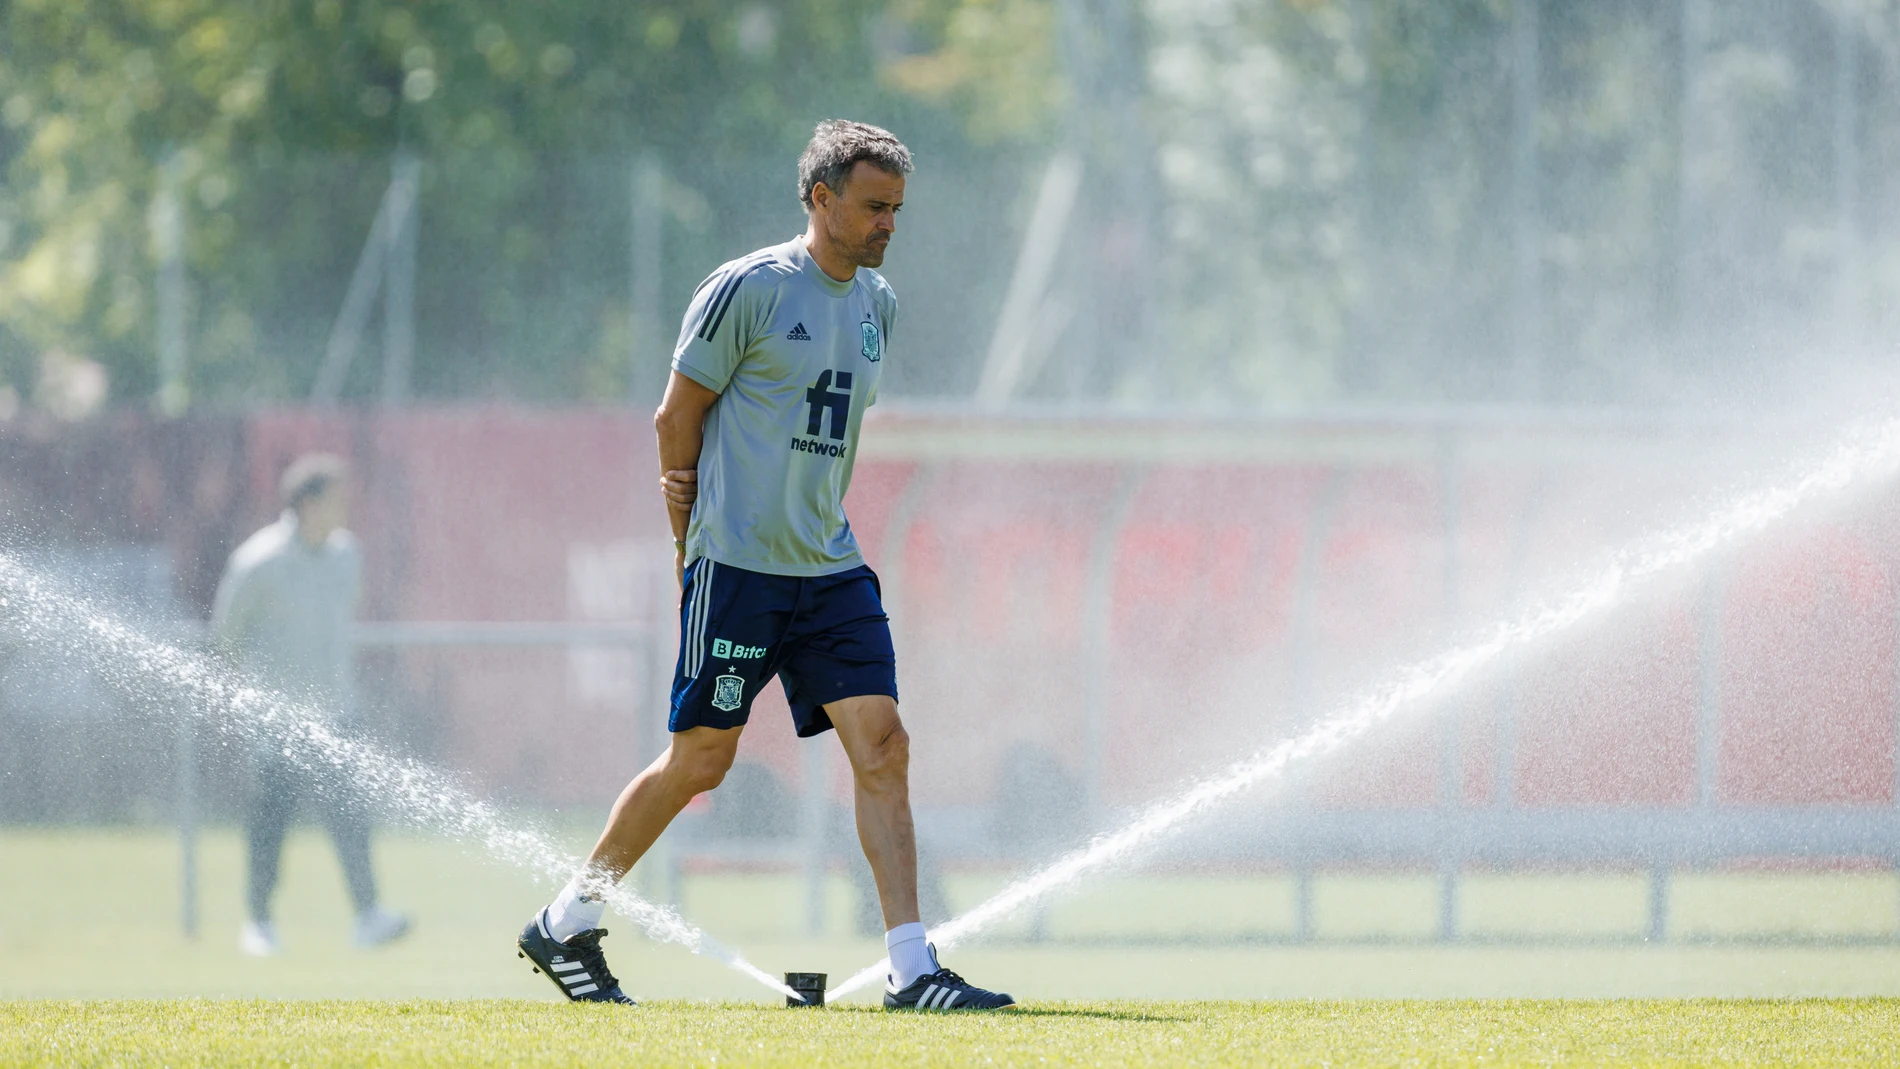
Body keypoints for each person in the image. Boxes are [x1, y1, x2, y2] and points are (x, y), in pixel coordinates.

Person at [516, 120, 1014, 1010]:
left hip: (829, 567)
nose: (888, 225)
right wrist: (687, 546)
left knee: (885, 745)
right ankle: (566, 921)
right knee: (702, 760)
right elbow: (676, 422)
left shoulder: (878, 304)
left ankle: (912, 969)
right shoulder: (746, 287)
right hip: (738, 567)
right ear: (820, 198)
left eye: (897, 210)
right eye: (873, 207)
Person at [211, 453, 410, 956]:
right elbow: (227, 634)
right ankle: (258, 923)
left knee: (352, 820)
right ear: (305, 502)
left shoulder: (348, 555)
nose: (345, 507)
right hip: (277, 725)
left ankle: (368, 915)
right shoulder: (259, 562)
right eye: (335, 498)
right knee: (270, 825)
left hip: (339, 715)